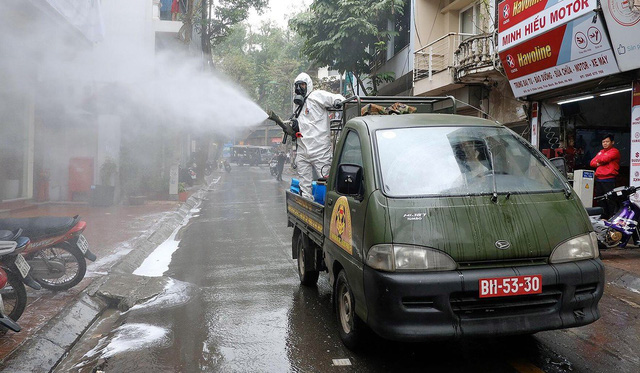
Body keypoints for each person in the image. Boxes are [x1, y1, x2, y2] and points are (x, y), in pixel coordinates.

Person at [291, 72, 345, 199]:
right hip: (303, 149)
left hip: (320, 149)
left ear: (308, 85)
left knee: (326, 181)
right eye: (297, 86)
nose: (299, 89)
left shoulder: (317, 96)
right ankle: (306, 202)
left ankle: (327, 206)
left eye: (302, 85)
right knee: (304, 184)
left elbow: (337, 98)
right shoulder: (297, 104)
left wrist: (338, 102)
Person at [590, 134, 620, 219]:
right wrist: (600, 160)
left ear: (612, 142)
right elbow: (592, 163)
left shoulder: (615, 151)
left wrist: (599, 160)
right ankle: (604, 217)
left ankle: (612, 217)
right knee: (600, 200)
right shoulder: (601, 152)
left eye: (607, 141)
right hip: (599, 179)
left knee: (610, 200)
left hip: (609, 180)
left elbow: (604, 159)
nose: (605, 143)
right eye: (603, 142)